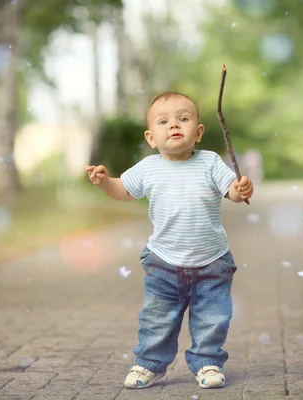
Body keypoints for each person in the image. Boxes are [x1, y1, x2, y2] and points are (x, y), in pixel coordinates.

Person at [85, 92, 254, 390]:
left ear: (198, 132)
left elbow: (233, 193)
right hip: (163, 261)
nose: (174, 125)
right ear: (151, 138)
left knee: (212, 318)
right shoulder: (149, 168)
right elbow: (123, 190)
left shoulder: (210, 162)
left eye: (184, 119)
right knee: (157, 318)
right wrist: (105, 182)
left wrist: (242, 189)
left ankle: (208, 362)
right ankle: (149, 363)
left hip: (212, 261)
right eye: (164, 122)